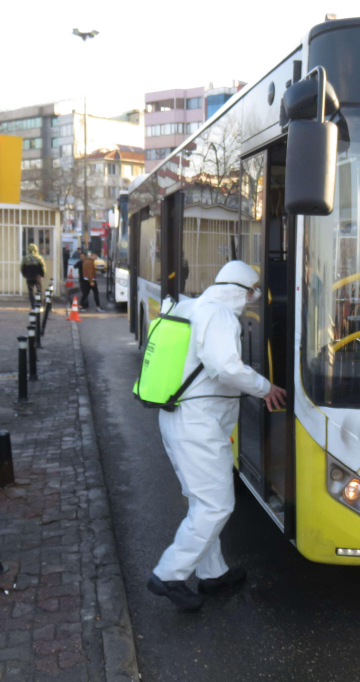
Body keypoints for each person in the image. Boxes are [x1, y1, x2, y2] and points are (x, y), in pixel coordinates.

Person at [147, 261, 286, 610]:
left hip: (180, 421)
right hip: (198, 426)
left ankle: (212, 574)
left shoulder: (192, 306)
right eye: (253, 291)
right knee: (215, 505)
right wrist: (265, 386)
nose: (254, 299)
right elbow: (224, 367)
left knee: (201, 503)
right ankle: (169, 574)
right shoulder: (220, 315)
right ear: (243, 289)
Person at [20, 243, 46, 309]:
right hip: (37, 276)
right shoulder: (39, 258)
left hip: (29, 276)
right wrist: (42, 275)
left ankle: (33, 305)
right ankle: (39, 304)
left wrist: (24, 275)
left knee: (30, 291)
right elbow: (43, 268)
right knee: (39, 290)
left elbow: (21, 268)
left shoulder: (25, 258)